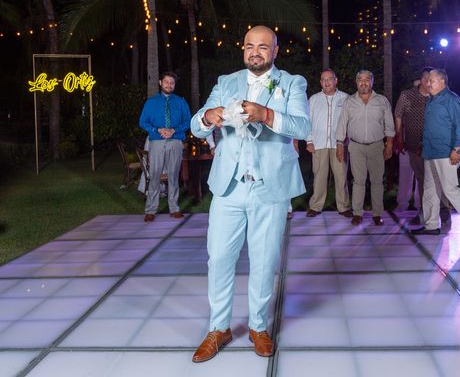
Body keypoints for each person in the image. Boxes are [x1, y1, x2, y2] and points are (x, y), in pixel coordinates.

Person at [190, 25, 311, 362]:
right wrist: (207, 118)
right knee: (219, 258)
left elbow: (303, 126)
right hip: (228, 189)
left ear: (275, 51)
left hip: (269, 187)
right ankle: (218, 328)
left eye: (262, 46)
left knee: (264, 260)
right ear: (243, 50)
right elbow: (196, 123)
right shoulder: (225, 82)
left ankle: (258, 326)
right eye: (249, 46)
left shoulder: (291, 83)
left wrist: (267, 114)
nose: (254, 52)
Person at [414, 69, 460, 238]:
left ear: (442, 81)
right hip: (430, 151)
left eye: (432, 81)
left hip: (446, 152)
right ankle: (431, 225)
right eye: (428, 81)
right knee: (430, 189)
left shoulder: (452, 100)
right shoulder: (432, 99)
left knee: (450, 189)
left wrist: (457, 149)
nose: (428, 84)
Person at [336, 70, 394, 226]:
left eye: (367, 80)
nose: (363, 83)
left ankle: (377, 214)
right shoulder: (349, 101)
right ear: (356, 82)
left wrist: (389, 145)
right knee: (358, 181)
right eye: (360, 80)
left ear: (372, 82)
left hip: (376, 146)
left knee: (377, 181)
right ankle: (357, 213)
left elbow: (389, 124)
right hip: (356, 147)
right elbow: (342, 123)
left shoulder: (382, 101)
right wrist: (339, 144)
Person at [138, 71, 191, 222]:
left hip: (175, 142)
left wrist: (175, 130)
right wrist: (157, 130)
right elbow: (143, 122)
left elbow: (188, 121)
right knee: (154, 175)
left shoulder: (181, 102)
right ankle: (150, 210)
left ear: (174, 85)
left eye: (172, 83)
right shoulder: (151, 102)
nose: (169, 85)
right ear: (161, 82)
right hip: (157, 142)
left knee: (174, 175)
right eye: (166, 82)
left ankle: (174, 208)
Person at [305, 69, 352, 218]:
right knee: (319, 176)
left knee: (341, 176)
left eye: (329, 79)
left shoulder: (346, 98)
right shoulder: (313, 99)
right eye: (323, 79)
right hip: (318, 144)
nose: (327, 82)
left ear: (335, 80)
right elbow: (306, 122)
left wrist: (346, 140)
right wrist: (309, 140)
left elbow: (350, 121)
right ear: (320, 82)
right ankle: (316, 206)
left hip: (339, 144)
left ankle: (343, 206)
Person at [394, 67, 433, 220]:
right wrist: (399, 137)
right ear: (422, 80)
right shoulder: (407, 95)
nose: (431, 83)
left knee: (424, 177)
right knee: (405, 173)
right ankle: (402, 203)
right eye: (428, 80)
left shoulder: (436, 97)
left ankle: (420, 205)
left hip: (429, 146)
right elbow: (398, 115)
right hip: (408, 143)